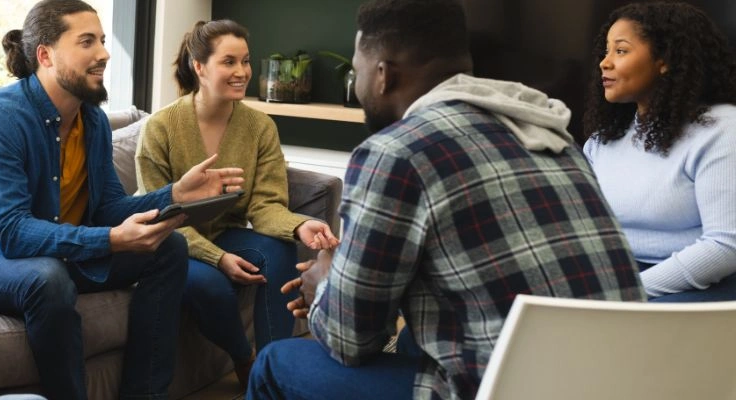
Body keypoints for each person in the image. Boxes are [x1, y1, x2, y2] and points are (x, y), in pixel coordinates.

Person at [246, 0, 647, 399]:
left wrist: (325, 284)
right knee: (411, 342)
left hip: (508, 388)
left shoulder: (397, 152)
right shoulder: (553, 136)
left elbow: (349, 341)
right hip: (624, 381)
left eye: (358, 69)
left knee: (275, 364)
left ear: (383, 74)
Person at [0, 1, 243, 399]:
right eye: (87, 42)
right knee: (46, 277)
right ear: (45, 55)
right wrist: (109, 240)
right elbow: (10, 234)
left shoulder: (92, 121)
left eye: (103, 41)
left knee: (170, 247)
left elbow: (108, 208)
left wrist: (175, 193)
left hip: (51, 254)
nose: (105, 53)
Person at [135, 19, 339, 386]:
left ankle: (275, 373)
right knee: (210, 284)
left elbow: (265, 205)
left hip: (227, 234)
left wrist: (299, 225)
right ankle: (246, 359)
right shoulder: (160, 128)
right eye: (229, 62)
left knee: (278, 249)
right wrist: (218, 258)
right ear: (199, 67)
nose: (242, 72)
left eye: (245, 61)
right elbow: (160, 216)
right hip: (173, 243)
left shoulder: (260, 127)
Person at [582, 2, 736, 302]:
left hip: (704, 285)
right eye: (605, 51)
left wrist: (627, 293)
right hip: (622, 279)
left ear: (664, 59)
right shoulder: (603, 139)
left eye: (621, 51)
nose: (605, 63)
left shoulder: (722, 130)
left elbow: (726, 245)